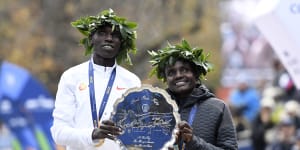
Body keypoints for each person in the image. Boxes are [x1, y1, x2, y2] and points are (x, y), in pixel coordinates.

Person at [50, 8, 141, 150]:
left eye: (115, 35)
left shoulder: (132, 81)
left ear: (122, 43)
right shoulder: (71, 77)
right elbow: (59, 133)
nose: (109, 38)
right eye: (102, 33)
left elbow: (138, 131)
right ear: (91, 39)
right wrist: (93, 134)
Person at [148, 39, 238, 149]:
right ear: (166, 79)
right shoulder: (155, 109)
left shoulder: (218, 108)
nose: (178, 75)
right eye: (171, 73)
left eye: (184, 70)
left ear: (196, 74)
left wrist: (193, 142)